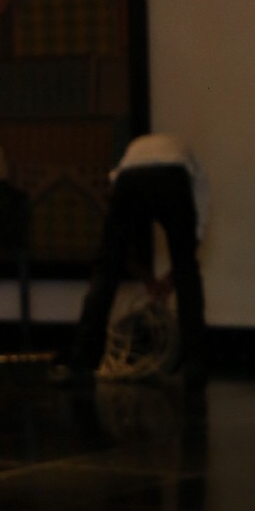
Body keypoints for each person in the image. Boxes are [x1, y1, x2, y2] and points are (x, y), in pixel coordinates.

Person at [51, 132, 209, 385]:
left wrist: (151, 280)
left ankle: (82, 361)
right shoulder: (193, 172)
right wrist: (169, 279)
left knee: (106, 269)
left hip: (131, 177)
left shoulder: (133, 154)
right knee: (188, 271)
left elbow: (117, 249)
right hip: (171, 176)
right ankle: (194, 364)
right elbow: (190, 246)